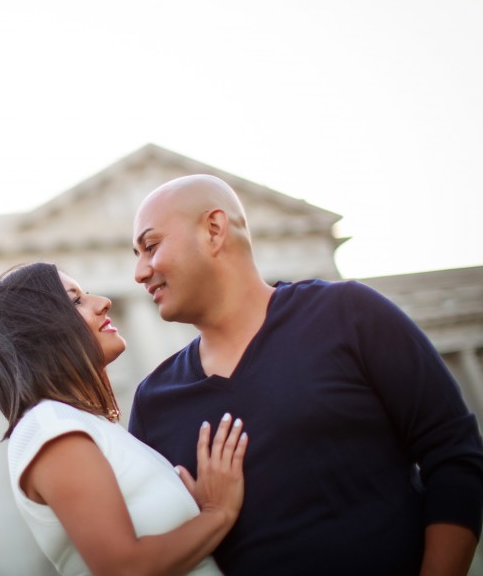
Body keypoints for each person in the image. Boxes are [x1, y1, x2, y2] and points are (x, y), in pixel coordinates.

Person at [128, 174, 483, 575]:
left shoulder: (348, 314)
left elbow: (454, 455)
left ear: (214, 230)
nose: (139, 272)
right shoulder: (154, 402)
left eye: (151, 247)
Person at [0, 261, 248, 576]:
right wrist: (218, 513)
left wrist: (195, 512)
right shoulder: (52, 427)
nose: (103, 302)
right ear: (38, 332)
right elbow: (123, 568)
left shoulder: (86, 424)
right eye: (76, 301)